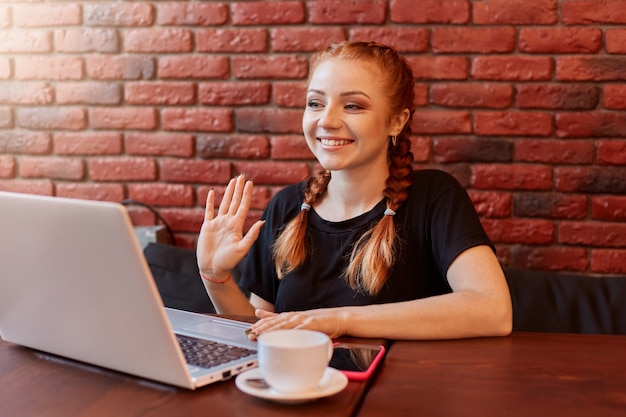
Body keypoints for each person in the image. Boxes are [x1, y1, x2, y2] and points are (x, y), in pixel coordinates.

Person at [196, 41, 512, 340]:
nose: (327, 120)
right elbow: (259, 335)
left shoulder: (434, 197)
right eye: (315, 103)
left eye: (352, 105)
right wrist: (215, 277)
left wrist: (339, 320)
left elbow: (493, 310)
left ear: (396, 122)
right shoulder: (286, 206)